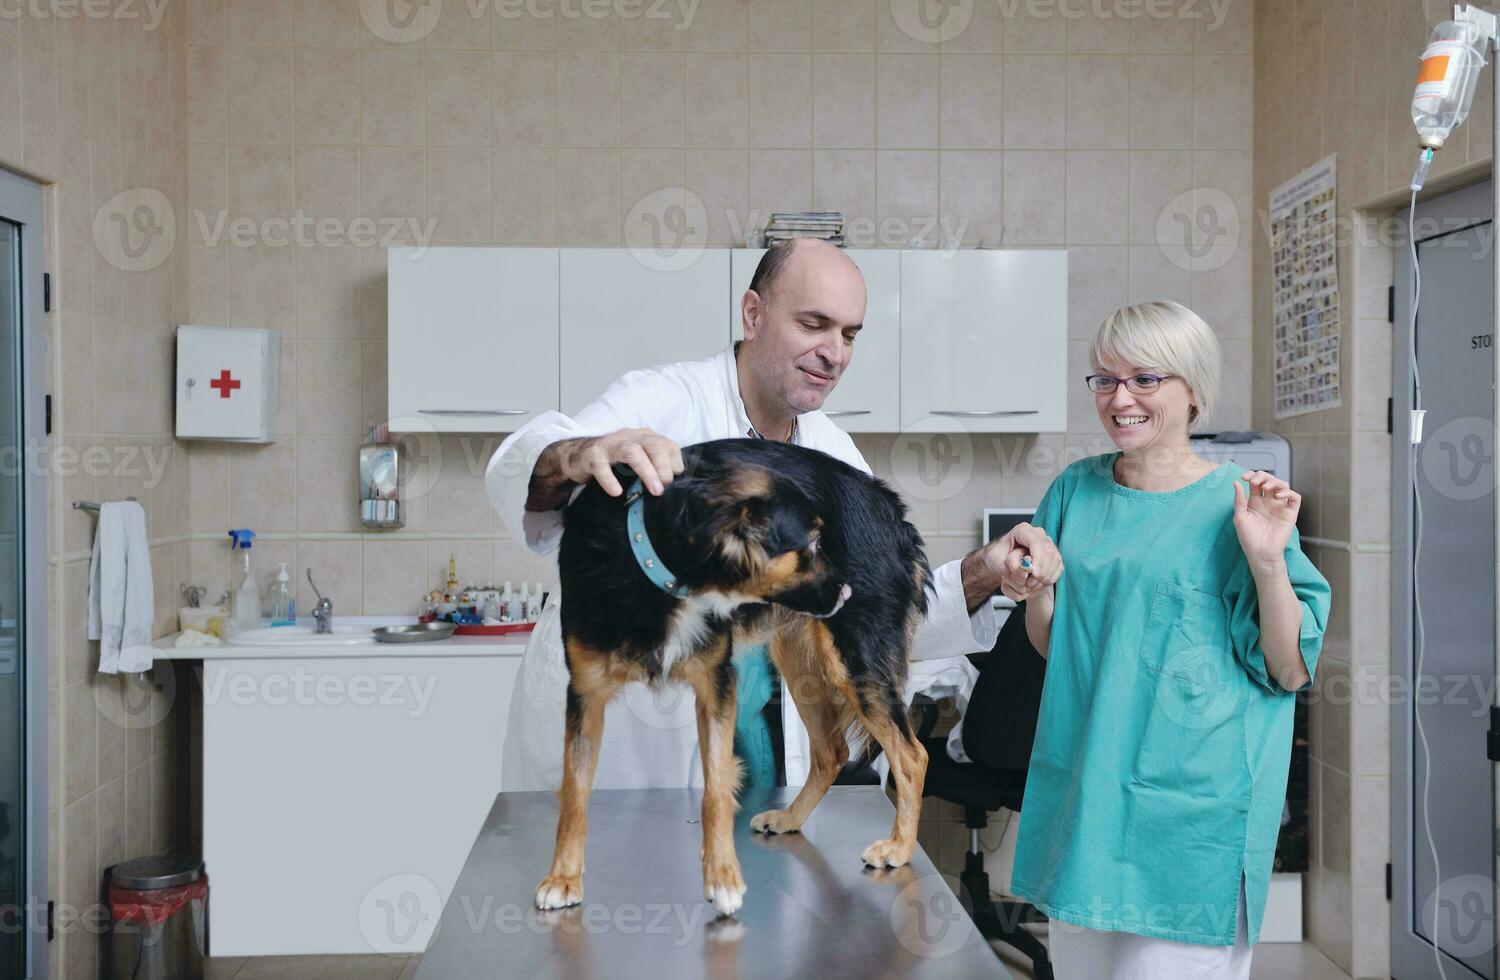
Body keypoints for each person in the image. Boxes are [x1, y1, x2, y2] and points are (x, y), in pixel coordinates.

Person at [486, 238, 1060, 792]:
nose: (834, 353)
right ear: (754, 314)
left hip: (763, 781)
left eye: (849, 334)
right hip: (633, 754)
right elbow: (535, 459)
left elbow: (875, 614)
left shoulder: (833, 458)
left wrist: (986, 568)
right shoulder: (660, 401)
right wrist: (579, 455)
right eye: (813, 325)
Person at [1006, 301, 1332, 978]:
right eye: (1104, 380)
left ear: (1192, 390)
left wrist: (1268, 561)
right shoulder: (1074, 491)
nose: (1120, 398)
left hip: (1188, 823)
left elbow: (1288, 669)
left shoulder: (1239, 505)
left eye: (1145, 379)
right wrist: (1037, 585)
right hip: (1088, 807)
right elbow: (1055, 649)